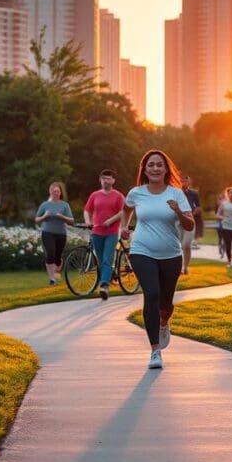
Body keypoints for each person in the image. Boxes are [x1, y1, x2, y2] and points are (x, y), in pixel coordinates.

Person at [121, 149, 194, 370]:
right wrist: (124, 226)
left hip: (171, 254)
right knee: (151, 294)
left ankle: (164, 322)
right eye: (150, 165)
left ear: (165, 169)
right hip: (141, 250)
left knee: (166, 303)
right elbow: (126, 209)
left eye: (159, 165)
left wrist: (178, 212)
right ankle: (155, 351)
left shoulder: (176, 194)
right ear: (144, 169)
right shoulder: (136, 192)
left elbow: (190, 224)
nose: (154, 168)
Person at [83, 169, 125, 300]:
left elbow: (123, 212)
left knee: (107, 259)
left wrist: (110, 221)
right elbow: (87, 210)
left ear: (113, 180)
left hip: (111, 233)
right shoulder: (94, 195)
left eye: (108, 178)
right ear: (100, 180)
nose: (105, 181)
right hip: (96, 232)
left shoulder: (118, 196)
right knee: (101, 261)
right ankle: (109, 275)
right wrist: (88, 222)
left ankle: (104, 286)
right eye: (103, 178)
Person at [35, 181, 74, 286]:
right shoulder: (45, 205)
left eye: (57, 191)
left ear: (60, 192)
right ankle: (52, 279)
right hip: (47, 232)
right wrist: (44, 217)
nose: (55, 193)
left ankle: (56, 271)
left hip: (61, 234)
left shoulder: (65, 205)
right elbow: (37, 219)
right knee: (50, 253)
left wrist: (62, 217)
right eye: (54, 190)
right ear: (50, 191)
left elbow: (71, 221)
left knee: (57, 257)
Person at [179, 174, 202, 274]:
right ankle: (179, 268)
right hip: (177, 222)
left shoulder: (194, 193)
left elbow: (198, 207)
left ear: (189, 182)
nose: (183, 182)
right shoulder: (175, 193)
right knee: (177, 245)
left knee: (186, 244)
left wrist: (192, 213)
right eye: (182, 180)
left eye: (185, 180)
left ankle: (185, 267)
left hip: (190, 221)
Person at [217, 186, 232, 266]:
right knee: (228, 245)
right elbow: (217, 215)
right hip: (226, 227)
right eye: (230, 193)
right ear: (227, 194)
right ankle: (229, 261)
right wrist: (223, 217)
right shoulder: (223, 204)